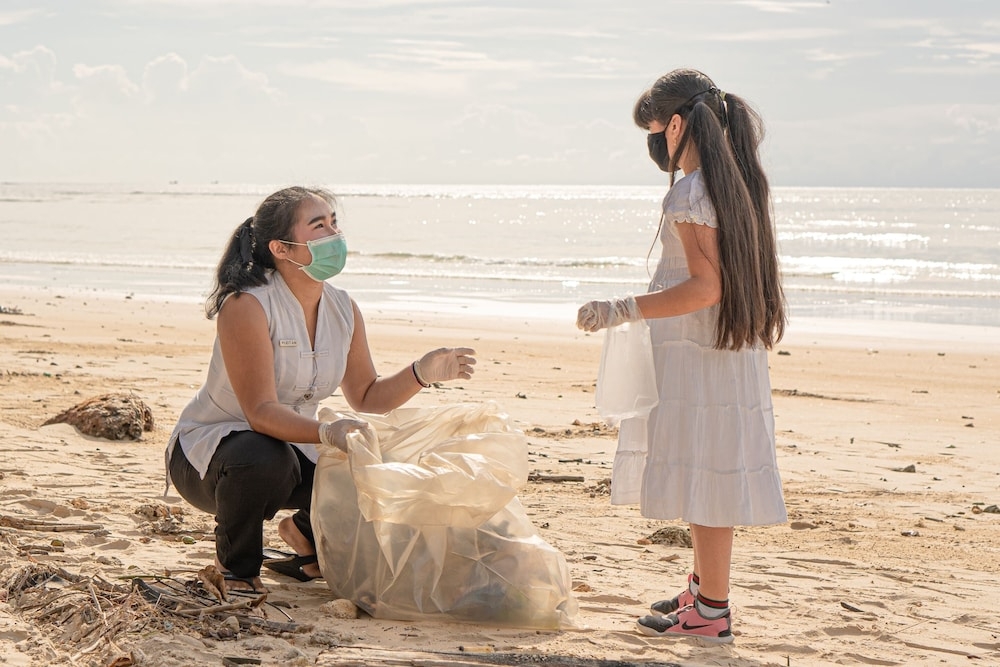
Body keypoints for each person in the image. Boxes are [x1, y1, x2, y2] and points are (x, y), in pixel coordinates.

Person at [166, 186, 476, 593]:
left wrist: (422, 372)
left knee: (370, 466)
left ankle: (303, 534)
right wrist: (328, 432)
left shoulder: (343, 308)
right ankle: (237, 569)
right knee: (264, 454)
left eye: (334, 223)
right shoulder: (247, 305)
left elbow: (366, 396)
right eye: (319, 226)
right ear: (281, 248)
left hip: (293, 449)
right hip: (212, 459)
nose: (334, 235)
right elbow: (260, 412)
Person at [576, 69, 787, 644]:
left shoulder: (691, 190)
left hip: (700, 351)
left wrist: (623, 308)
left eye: (655, 133)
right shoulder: (736, 182)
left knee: (706, 472)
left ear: (676, 124)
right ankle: (702, 587)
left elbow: (705, 287)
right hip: (722, 348)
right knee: (707, 467)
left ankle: (711, 610)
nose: (655, 147)